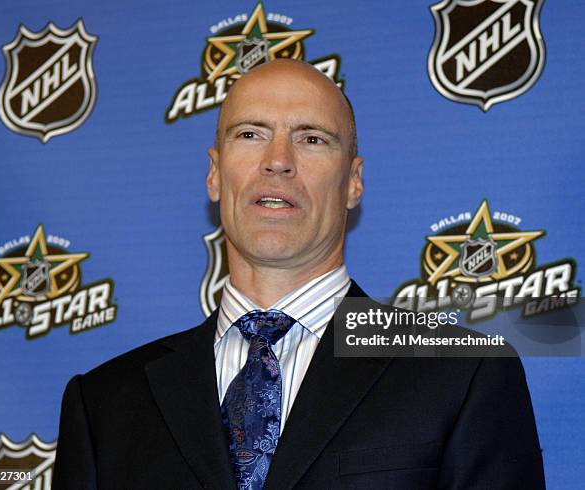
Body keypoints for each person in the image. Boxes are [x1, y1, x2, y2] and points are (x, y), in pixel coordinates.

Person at [52, 59, 545, 489]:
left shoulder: (464, 374)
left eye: (311, 139)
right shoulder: (104, 405)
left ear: (354, 182)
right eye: (251, 134)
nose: (278, 162)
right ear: (214, 174)